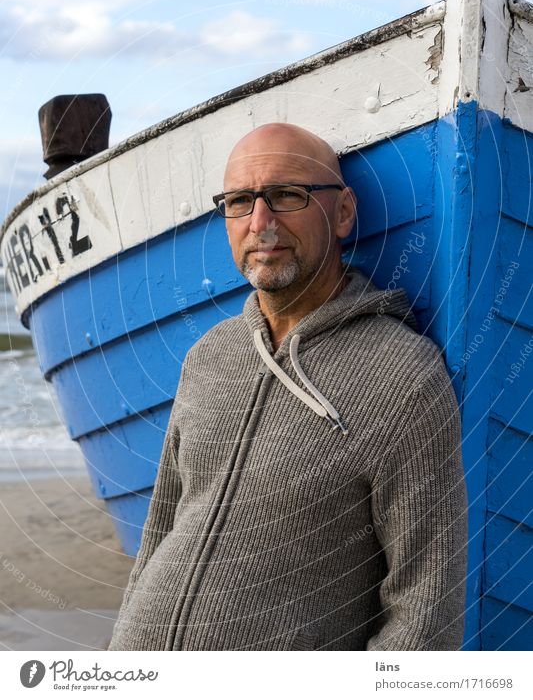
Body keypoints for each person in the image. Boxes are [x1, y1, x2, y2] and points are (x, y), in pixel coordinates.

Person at [108, 122, 468, 651]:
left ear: (343, 212)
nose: (260, 222)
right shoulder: (209, 356)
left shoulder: (402, 376)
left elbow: (426, 608)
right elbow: (160, 532)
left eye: (285, 195)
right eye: (239, 201)